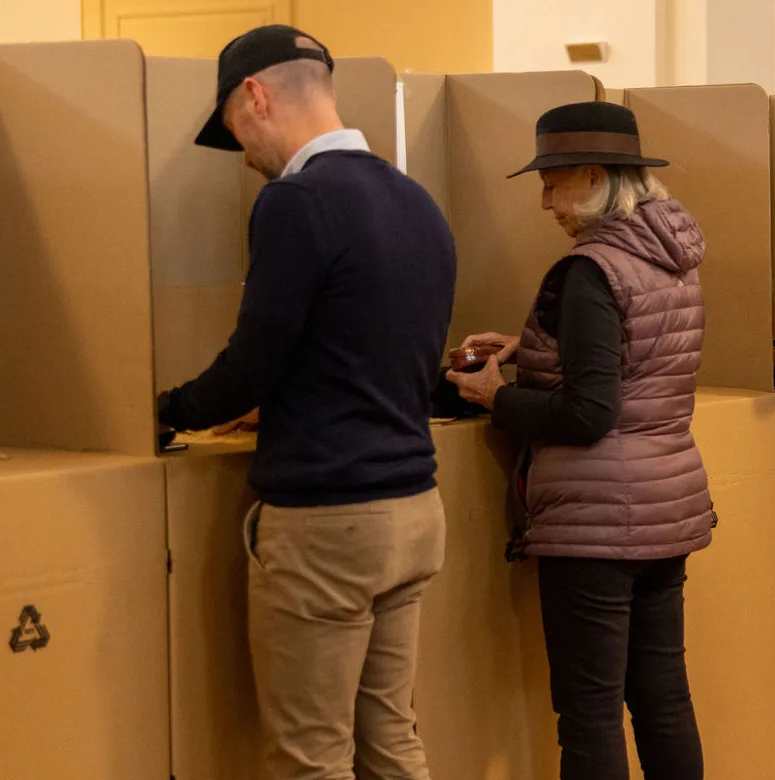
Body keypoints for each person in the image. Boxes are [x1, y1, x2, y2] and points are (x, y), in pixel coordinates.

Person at [153, 25, 455, 780]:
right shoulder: (415, 200)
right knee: (392, 741)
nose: (247, 158)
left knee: (309, 759)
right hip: (414, 509)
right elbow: (376, 350)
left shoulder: (296, 202)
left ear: (254, 96)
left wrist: (168, 408)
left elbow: (254, 359)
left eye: (235, 134)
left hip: (327, 525)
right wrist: (291, 398)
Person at [446, 101, 710, 780]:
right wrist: (529, 349)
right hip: (665, 503)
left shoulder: (592, 269)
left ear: (594, 175)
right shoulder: (669, 254)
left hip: (595, 520)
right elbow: (634, 362)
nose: (543, 202)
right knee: (663, 697)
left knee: (589, 712)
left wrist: (494, 394)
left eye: (553, 182)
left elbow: (591, 412)